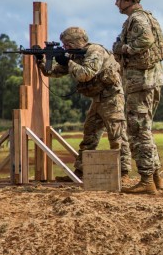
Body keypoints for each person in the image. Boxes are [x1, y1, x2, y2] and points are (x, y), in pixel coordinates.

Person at [36, 26, 131, 181]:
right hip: (98, 99)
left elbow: (85, 74)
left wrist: (68, 61)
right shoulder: (74, 55)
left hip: (111, 98)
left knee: (117, 135)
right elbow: (54, 72)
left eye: (67, 44)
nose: (65, 47)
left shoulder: (95, 51)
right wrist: (42, 61)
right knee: (90, 135)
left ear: (76, 42)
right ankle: (80, 173)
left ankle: (124, 173)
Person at [112, 0, 163, 194]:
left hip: (140, 82)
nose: (116, 3)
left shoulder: (137, 19)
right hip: (150, 81)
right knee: (145, 130)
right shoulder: (147, 17)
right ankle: (155, 177)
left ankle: (146, 181)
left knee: (137, 130)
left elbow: (145, 39)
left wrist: (124, 49)